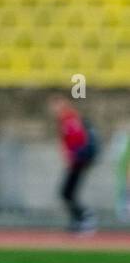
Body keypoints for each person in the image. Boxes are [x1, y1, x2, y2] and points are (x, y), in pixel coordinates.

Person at [49, 95, 98, 232]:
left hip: (78, 162)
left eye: (56, 105)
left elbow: (78, 139)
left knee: (66, 192)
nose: (54, 109)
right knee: (68, 193)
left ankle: (85, 217)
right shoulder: (66, 120)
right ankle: (79, 219)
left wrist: (74, 156)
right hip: (76, 162)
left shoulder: (70, 120)